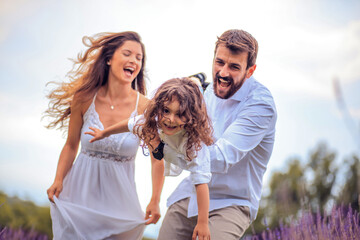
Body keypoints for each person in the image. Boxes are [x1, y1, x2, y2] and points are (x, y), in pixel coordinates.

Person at [157, 29, 278, 239]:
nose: (223, 72)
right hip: (192, 190)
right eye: (219, 62)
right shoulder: (206, 91)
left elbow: (220, 159)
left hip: (232, 202)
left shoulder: (261, 106)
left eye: (234, 67)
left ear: (250, 71)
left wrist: (163, 149)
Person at [45, 31, 164, 240]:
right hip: (78, 198)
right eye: (127, 54)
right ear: (109, 59)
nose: (134, 61)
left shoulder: (146, 107)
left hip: (119, 207)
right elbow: (71, 145)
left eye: (139, 58)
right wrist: (58, 179)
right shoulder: (83, 98)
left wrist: (155, 199)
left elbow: (158, 156)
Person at [86, 77, 214, 240]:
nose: (170, 119)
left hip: (182, 142)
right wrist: (103, 133)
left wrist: (202, 222)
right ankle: (194, 80)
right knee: (186, 88)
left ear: (191, 117)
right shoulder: (151, 121)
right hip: (167, 148)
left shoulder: (195, 145)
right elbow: (128, 124)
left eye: (180, 114)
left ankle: (198, 81)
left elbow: (201, 184)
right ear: (158, 108)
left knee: (198, 91)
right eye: (166, 111)